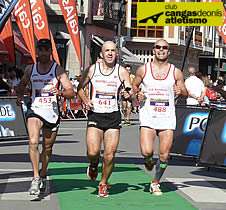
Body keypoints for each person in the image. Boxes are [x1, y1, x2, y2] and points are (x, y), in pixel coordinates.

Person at [16, 38, 74, 195]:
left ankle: (42, 174)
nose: (42, 53)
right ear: (37, 51)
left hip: (52, 112)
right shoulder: (30, 69)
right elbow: (21, 85)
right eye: (40, 50)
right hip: (35, 109)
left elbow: (71, 92)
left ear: (50, 52)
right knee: (33, 141)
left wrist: (61, 92)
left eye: (45, 50)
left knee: (47, 148)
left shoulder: (57, 70)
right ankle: (35, 178)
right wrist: (20, 96)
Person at [132, 39, 188, 196]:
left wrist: (180, 92)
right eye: (158, 47)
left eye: (164, 48)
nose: (161, 50)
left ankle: (155, 182)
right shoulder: (144, 70)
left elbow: (185, 93)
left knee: (164, 154)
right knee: (146, 151)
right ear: (153, 50)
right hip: (148, 117)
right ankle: (148, 159)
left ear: (168, 51)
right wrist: (137, 93)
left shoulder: (175, 72)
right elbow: (134, 86)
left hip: (167, 118)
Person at [77, 41, 132, 197]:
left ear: (117, 53)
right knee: (93, 151)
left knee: (109, 155)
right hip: (96, 115)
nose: (110, 53)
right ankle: (93, 164)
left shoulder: (121, 71)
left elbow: (129, 88)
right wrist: (86, 101)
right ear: (101, 54)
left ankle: (103, 183)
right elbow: (80, 88)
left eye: (113, 50)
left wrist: (128, 93)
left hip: (113, 116)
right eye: (106, 50)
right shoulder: (93, 69)